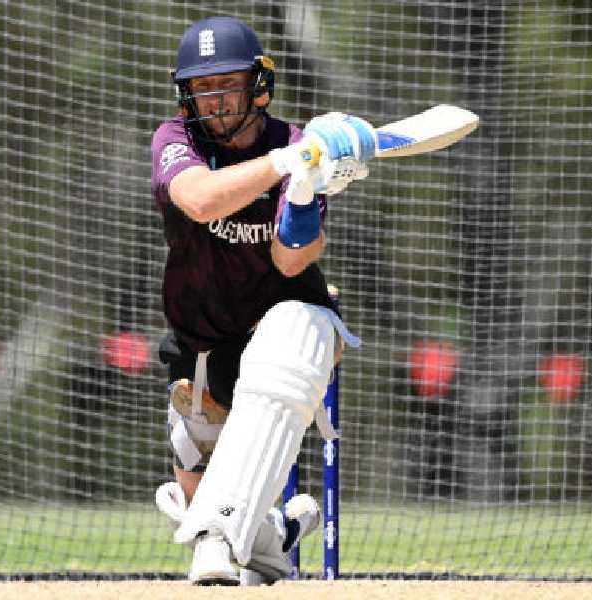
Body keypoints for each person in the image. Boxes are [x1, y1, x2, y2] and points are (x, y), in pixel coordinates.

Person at [149, 15, 374, 585]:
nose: (215, 100)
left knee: (290, 336)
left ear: (258, 84)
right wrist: (285, 167)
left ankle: (216, 534)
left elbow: (290, 260)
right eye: (201, 87)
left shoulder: (298, 145)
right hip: (201, 333)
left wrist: (301, 189)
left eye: (226, 83)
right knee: (192, 450)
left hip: (284, 318)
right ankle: (274, 538)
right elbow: (199, 201)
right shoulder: (176, 140)